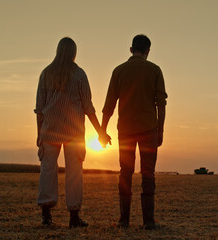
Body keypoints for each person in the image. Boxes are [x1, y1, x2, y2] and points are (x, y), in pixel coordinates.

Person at [35, 37, 110, 227]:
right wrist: (100, 132)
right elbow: (88, 107)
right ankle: (74, 216)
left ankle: (46, 215)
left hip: (49, 130)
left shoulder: (46, 73)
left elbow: (39, 108)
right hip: (74, 132)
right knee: (74, 174)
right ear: (74, 52)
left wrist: (39, 134)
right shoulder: (79, 75)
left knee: (47, 172)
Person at [100, 34, 167, 229]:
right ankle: (149, 222)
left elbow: (109, 105)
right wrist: (160, 130)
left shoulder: (119, 71)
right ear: (148, 51)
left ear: (131, 49)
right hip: (149, 130)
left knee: (125, 173)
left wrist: (102, 130)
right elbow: (161, 104)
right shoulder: (155, 70)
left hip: (126, 131)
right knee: (148, 174)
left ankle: (124, 220)